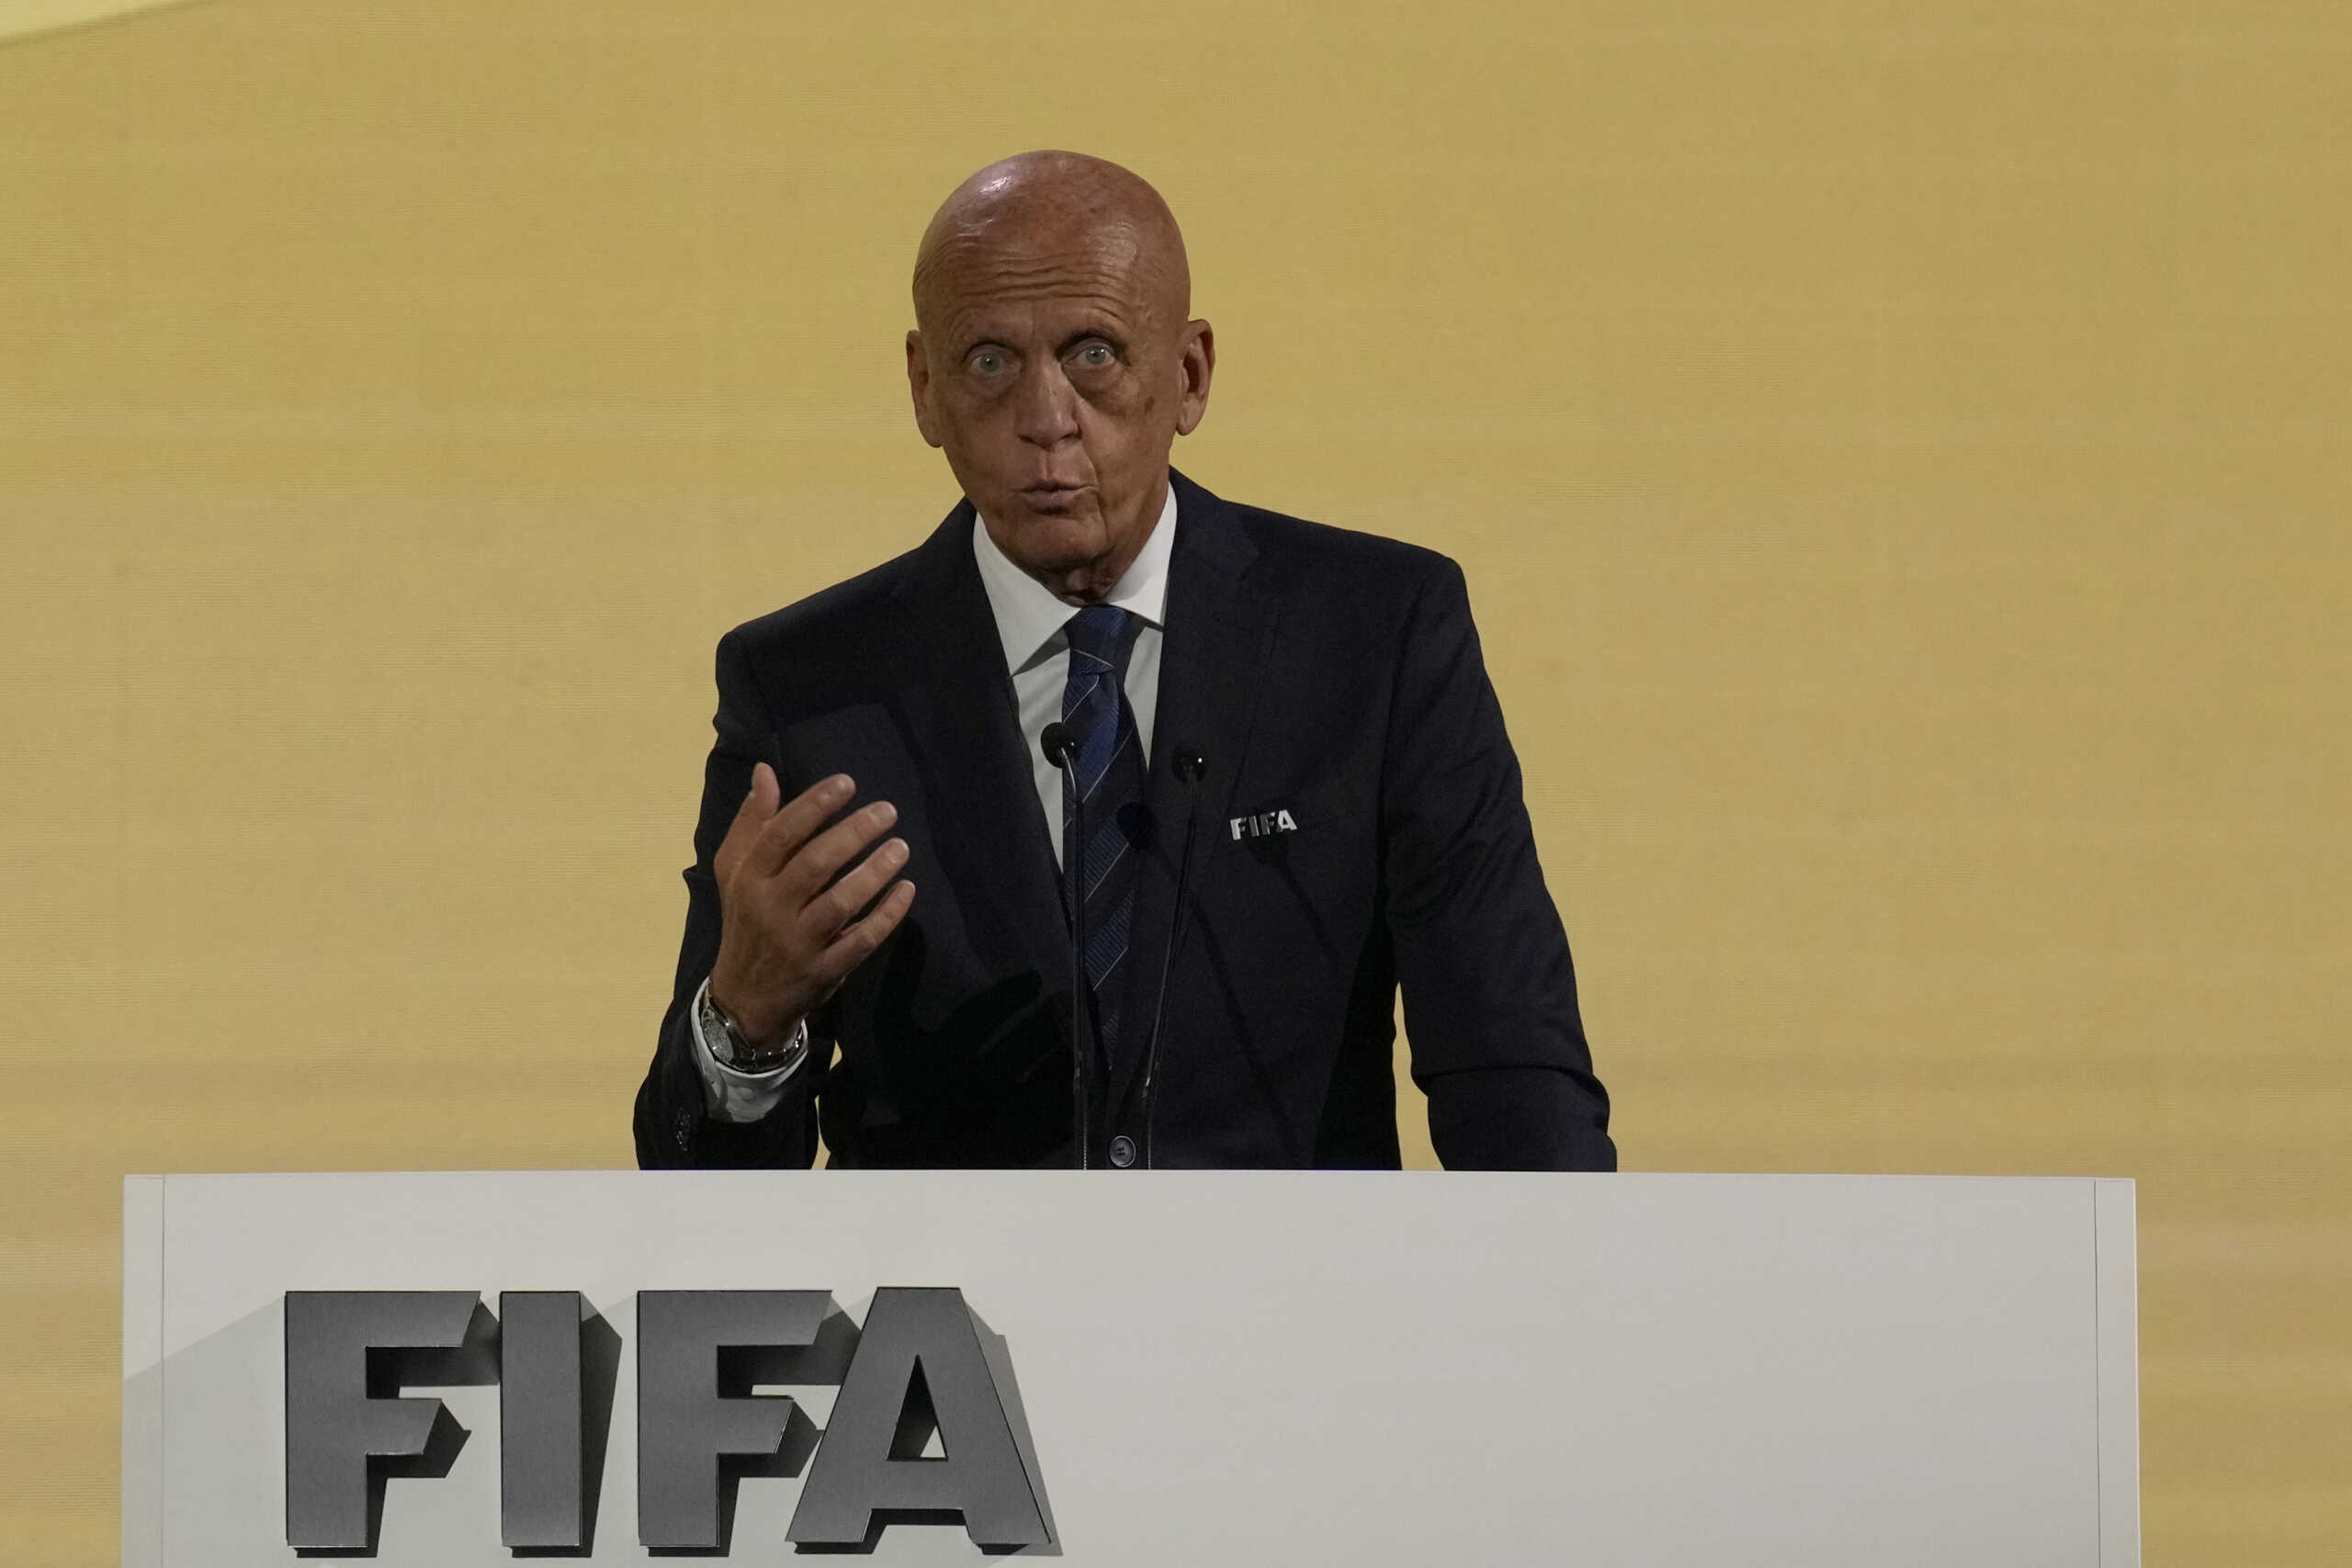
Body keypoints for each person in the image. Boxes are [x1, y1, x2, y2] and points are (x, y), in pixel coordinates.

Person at [634, 151, 1612, 1171]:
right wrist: (743, 1022)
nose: (1046, 419)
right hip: (946, 1323)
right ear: (924, 390)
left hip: (1295, 1314)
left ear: (1187, 376)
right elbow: (700, 1203)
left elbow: (1510, 1064)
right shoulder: (809, 690)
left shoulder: (1376, 638)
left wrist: (1570, 1310)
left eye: (1093, 353)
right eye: (988, 363)